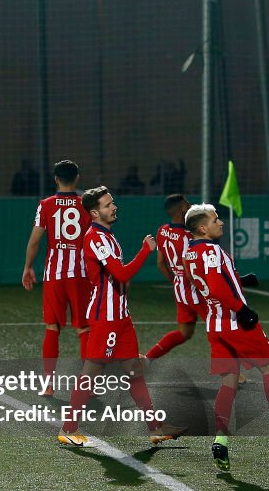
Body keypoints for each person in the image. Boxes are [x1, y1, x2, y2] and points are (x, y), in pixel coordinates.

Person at [57, 186, 186, 447]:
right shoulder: (95, 237)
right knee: (91, 372)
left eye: (112, 202)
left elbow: (117, 277)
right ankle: (68, 429)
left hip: (121, 317)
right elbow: (122, 274)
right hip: (106, 318)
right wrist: (145, 250)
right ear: (94, 213)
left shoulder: (108, 236)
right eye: (107, 205)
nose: (113, 207)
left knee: (134, 372)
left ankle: (155, 429)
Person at [183, 204, 269, 471]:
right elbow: (216, 286)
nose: (221, 223)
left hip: (215, 325)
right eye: (215, 219)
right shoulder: (213, 250)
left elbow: (209, 284)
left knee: (229, 382)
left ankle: (220, 439)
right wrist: (243, 309)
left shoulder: (190, 254)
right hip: (235, 323)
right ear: (202, 228)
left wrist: (239, 280)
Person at [21, 160, 91, 397]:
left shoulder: (46, 204)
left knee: (52, 328)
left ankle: (48, 385)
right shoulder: (86, 205)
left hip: (55, 274)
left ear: (55, 179)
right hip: (81, 274)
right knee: (83, 329)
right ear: (77, 178)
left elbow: (34, 240)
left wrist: (28, 267)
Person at [143, 194, 205, 361]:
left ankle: (147, 359)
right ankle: (230, 371)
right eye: (188, 204)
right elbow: (190, 266)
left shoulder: (163, 230)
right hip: (194, 287)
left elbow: (161, 264)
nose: (191, 206)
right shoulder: (189, 236)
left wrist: (176, 281)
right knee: (218, 325)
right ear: (182, 209)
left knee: (185, 332)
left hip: (180, 287)